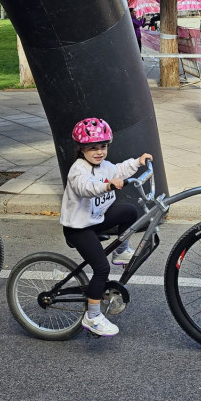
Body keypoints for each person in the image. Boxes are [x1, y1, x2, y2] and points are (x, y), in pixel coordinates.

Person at [60, 117, 152, 337]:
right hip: (79, 227)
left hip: (96, 218)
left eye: (103, 146)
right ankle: (92, 316)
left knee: (129, 211)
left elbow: (118, 170)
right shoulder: (78, 170)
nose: (99, 152)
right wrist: (107, 185)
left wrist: (137, 162)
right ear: (82, 149)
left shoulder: (104, 165)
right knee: (101, 269)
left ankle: (120, 251)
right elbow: (86, 188)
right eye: (93, 148)